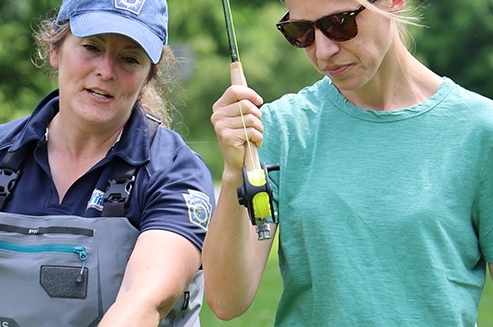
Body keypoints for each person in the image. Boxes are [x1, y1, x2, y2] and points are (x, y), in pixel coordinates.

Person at [203, 0, 493, 325]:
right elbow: (227, 301)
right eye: (302, 32)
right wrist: (233, 173)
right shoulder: (278, 130)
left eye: (340, 23)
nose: (324, 51)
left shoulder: (481, 130)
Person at [0, 0, 214, 326]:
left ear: (150, 75)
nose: (106, 71)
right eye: (91, 47)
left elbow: (145, 301)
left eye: (129, 59)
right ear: (55, 48)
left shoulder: (174, 173)